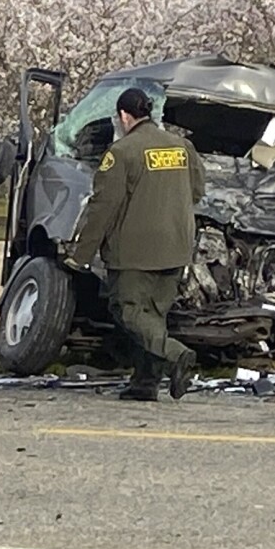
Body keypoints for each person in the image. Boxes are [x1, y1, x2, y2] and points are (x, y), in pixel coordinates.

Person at [64, 88, 205, 401]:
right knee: (153, 315)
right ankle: (145, 383)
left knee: (128, 311)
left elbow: (103, 208)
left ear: (124, 116)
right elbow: (197, 190)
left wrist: (80, 256)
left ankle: (176, 354)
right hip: (177, 246)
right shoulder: (182, 147)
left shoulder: (122, 152)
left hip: (135, 250)